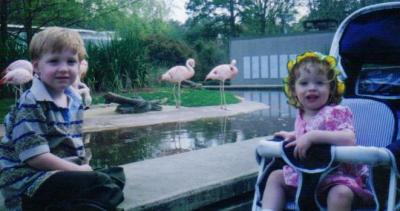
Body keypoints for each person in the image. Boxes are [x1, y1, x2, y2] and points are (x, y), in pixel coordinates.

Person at [0, 27, 124, 211]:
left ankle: (71, 205)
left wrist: (82, 167)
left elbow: (74, 145)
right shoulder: (31, 102)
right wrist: (79, 172)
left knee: (116, 174)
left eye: (71, 62)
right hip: (28, 182)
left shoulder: (73, 99)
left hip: (56, 174)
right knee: (102, 184)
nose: (63, 69)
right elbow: (36, 158)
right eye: (54, 61)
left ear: (79, 65)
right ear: (35, 66)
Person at [261, 52, 372, 211]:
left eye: (320, 83)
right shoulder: (301, 115)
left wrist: (313, 137)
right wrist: (293, 136)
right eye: (304, 83)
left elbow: (349, 139)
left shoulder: (336, 112)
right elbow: (305, 132)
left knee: (340, 194)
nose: (312, 88)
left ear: (330, 88)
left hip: (335, 176)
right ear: (293, 89)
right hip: (305, 175)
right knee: (275, 177)